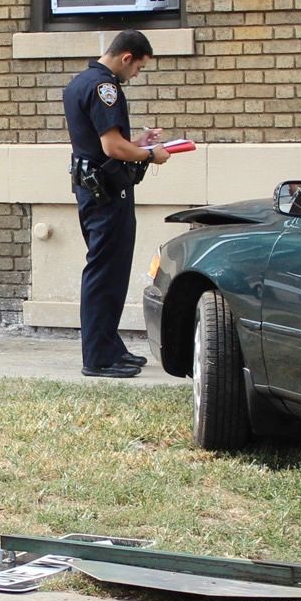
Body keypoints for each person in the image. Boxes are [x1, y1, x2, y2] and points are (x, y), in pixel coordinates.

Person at [63, 29, 174, 378]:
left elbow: (101, 142)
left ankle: (109, 347)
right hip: (107, 192)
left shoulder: (80, 82)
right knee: (104, 273)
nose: (136, 75)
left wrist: (136, 141)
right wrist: (150, 153)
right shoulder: (105, 88)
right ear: (127, 57)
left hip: (95, 190)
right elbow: (112, 148)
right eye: (138, 68)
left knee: (108, 273)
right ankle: (98, 357)